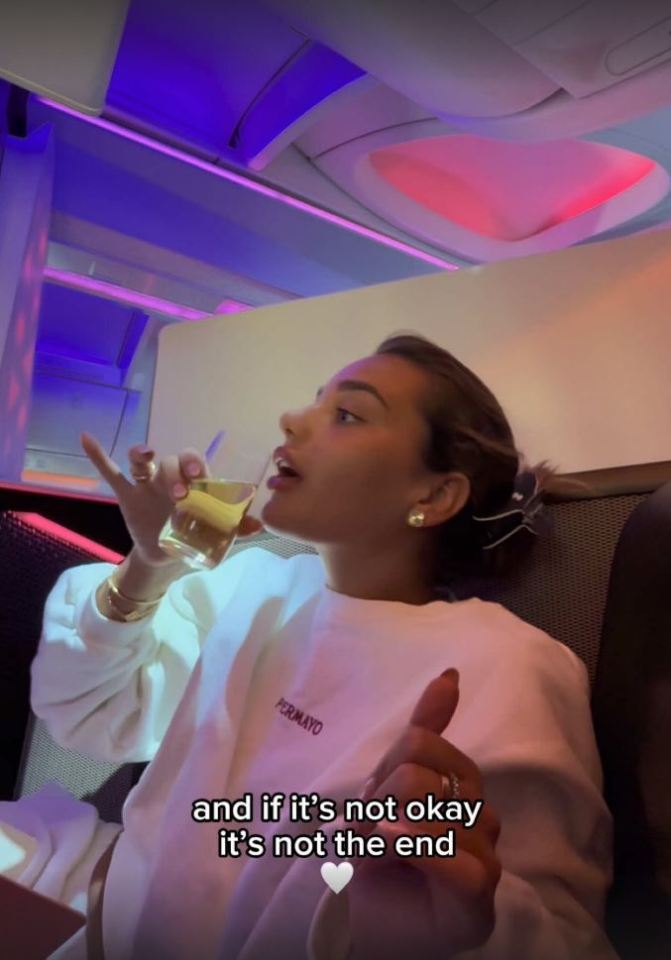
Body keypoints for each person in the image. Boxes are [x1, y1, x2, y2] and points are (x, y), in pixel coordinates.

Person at [3, 332, 617, 959]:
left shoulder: (510, 665)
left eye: (347, 413)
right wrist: (150, 565)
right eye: (315, 402)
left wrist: (445, 927)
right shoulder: (254, 585)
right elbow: (88, 718)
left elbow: (562, 935)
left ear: (432, 497)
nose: (292, 420)